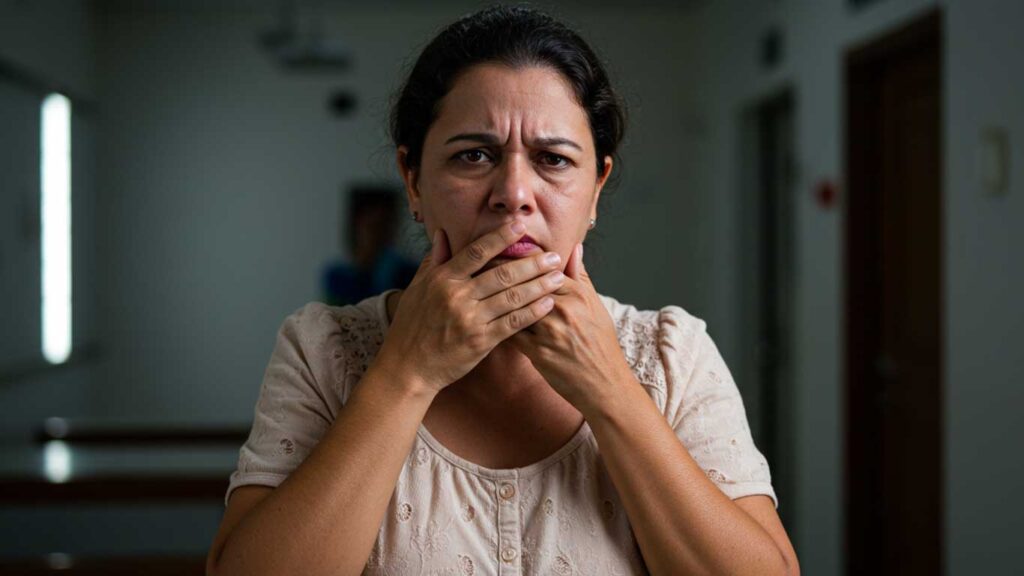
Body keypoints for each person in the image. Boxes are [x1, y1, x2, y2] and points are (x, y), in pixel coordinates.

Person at [207, 6, 799, 576]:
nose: (513, 192)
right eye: (474, 155)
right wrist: (406, 374)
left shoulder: (673, 354)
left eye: (553, 159)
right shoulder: (322, 348)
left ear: (597, 188)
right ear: (412, 181)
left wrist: (612, 390)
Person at [321, 185, 418, 307]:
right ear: (356, 225)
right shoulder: (337, 275)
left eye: (385, 225)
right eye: (372, 226)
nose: (378, 234)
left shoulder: (407, 272)